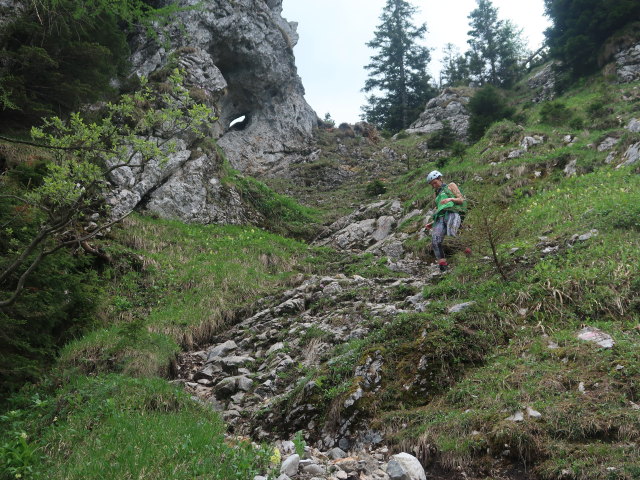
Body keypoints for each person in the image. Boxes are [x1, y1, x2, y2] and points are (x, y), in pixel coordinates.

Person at [424, 170, 467, 272]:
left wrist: (450, 199)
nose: (434, 185)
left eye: (435, 182)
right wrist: (432, 222)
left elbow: (461, 200)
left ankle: (469, 255)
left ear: (440, 179)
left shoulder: (450, 186)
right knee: (435, 241)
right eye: (432, 184)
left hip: (452, 213)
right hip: (440, 218)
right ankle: (443, 268)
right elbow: (439, 210)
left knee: (452, 235)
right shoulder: (437, 195)